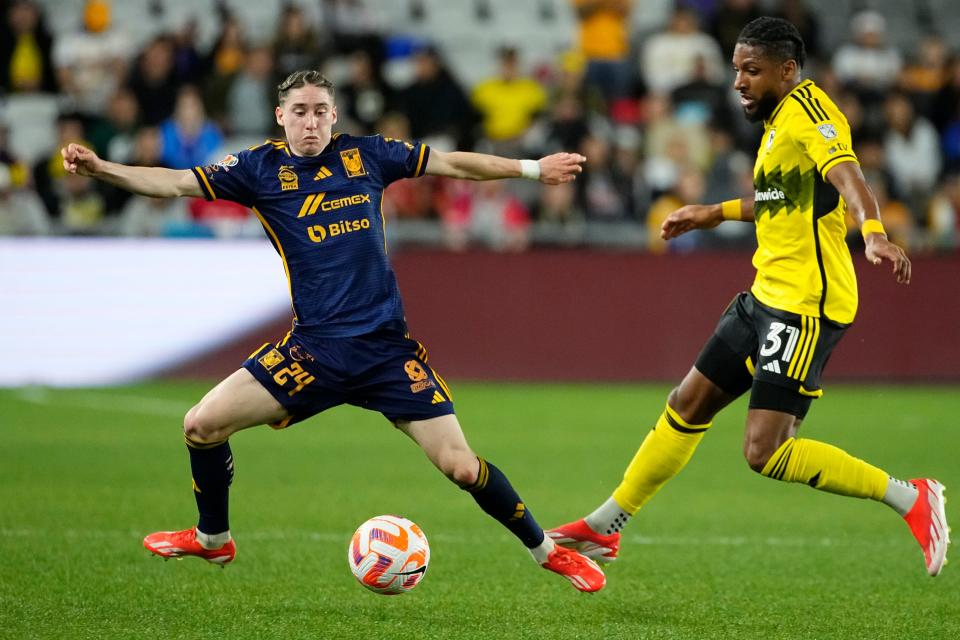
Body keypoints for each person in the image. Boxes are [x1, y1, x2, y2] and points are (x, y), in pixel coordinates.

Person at [61, 69, 606, 593]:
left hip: (386, 353)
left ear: (333, 114)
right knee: (201, 425)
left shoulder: (367, 155)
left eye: (321, 111)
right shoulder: (257, 169)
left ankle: (549, 552)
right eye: (300, 112)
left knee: (463, 467)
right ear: (281, 116)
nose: (311, 122)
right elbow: (176, 182)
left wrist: (533, 170)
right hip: (312, 353)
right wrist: (102, 168)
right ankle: (212, 538)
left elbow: (451, 164)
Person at [548, 17, 950, 578]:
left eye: (752, 71)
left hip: (805, 305)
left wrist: (875, 232)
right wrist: (712, 213)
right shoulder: (778, 120)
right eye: (737, 68)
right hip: (765, 294)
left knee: (766, 451)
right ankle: (607, 525)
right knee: (687, 402)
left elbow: (850, 177)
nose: (738, 81)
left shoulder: (813, 115)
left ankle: (912, 499)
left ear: (787, 71)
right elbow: (779, 198)